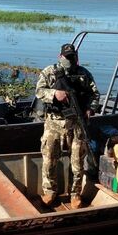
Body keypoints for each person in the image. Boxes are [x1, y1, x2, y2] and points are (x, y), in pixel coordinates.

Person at [35, 43, 100, 209]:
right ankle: (50, 191)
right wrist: (54, 94)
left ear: (76, 58)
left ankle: (75, 194)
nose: (69, 60)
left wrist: (90, 110)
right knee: (49, 159)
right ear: (60, 57)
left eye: (72, 57)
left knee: (77, 162)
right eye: (66, 57)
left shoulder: (84, 74)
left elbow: (95, 94)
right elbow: (39, 91)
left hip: (77, 124)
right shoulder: (50, 71)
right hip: (54, 122)